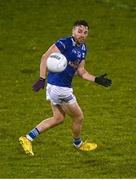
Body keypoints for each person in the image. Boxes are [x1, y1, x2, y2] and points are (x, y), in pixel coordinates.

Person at [19, 20, 112, 156]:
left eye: (85, 32)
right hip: (59, 88)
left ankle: (27, 138)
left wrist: (96, 79)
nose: (82, 34)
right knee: (79, 117)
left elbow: (81, 71)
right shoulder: (64, 43)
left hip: (58, 86)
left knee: (58, 118)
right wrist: (41, 78)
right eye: (79, 31)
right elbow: (45, 57)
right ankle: (78, 144)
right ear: (73, 31)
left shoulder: (83, 48)